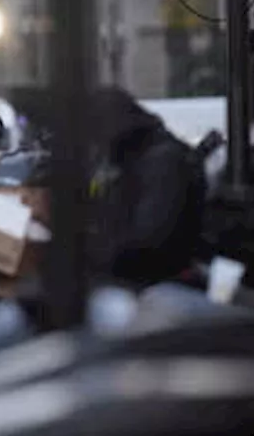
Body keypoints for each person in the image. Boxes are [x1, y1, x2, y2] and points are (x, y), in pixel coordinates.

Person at [88, 87, 205, 287]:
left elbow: (147, 242)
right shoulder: (128, 157)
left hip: (154, 280)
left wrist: (88, 250)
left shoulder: (162, 162)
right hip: (131, 274)